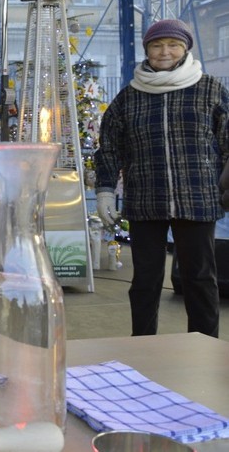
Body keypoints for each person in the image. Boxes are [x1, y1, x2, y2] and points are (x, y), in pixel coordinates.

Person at [95, 19, 229, 338]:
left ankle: (204, 347)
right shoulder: (130, 96)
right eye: (156, 45)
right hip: (145, 200)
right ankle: (143, 347)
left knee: (199, 279)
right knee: (145, 281)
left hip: (197, 199)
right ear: (147, 51)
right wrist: (104, 191)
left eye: (173, 45)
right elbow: (110, 146)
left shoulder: (209, 88)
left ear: (185, 49)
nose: (164, 51)